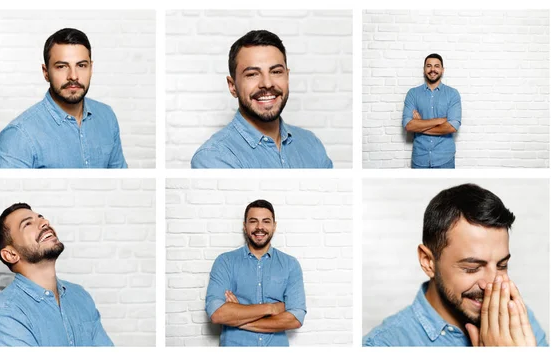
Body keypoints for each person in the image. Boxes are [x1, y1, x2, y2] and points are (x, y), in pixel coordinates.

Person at [363, 184, 547, 346]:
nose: (492, 283)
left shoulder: (518, 319)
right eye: (472, 268)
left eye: (502, 265)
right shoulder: (384, 345)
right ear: (428, 262)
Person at [191, 30, 332, 168]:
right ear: (233, 86)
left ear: (287, 77)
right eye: (252, 74)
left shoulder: (312, 144)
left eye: (276, 72)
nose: (267, 83)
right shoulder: (213, 157)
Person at [0, 28, 127, 168]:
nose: (73, 76)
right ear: (46, 73)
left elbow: (122, 183)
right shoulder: (19, 135)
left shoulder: (107, 117)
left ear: (91, 68)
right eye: (62, 66)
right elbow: (3, 189)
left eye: (81, 65)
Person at [0, 203, 113, 346]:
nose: (45, 222)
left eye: (41, 218)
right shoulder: (4, 314)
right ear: (11, 254)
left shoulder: (80, 296)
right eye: (27, 224)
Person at [205, 200, 306, 346]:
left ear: (274, 226)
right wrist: (271, 308)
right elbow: (217, 314)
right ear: (245, 226)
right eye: (253, 221)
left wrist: (238, 317)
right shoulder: (225, 262)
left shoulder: (290, 265)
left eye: (266, 221)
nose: (260, 227)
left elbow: (295, 318)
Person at [402, 53, 461, 169]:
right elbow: (408, 126)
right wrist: (439, 120)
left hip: (445, 159)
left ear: (442, 70)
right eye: (429, 66)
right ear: (424, 70)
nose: (432, 69)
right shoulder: (413, 94)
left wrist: (420, 124)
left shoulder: (453, 94)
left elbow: (452, 127)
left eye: (436, 66)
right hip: (420, 159)